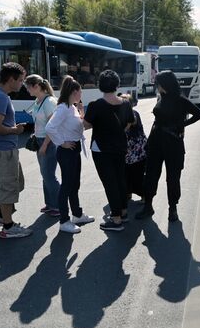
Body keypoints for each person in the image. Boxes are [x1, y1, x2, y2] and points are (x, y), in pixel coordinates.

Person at [135, 70, 200, 222]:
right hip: (156, 141)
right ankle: (148, 205)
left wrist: (181, 124)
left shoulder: (180, 100)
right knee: (151, 175)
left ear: (164, 84)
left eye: (158, 83)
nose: (156, 86)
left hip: (173, 142)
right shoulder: (161, 97)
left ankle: (173, 208)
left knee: (173, 177)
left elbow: (199, 114)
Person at [0, 62, 32, 238]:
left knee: (17, 184)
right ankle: (9, 228)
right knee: (8, 187)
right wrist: (15, 130)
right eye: (20, 80)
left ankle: (2, 218)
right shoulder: (1, 97)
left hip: (0, 148)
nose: (22, 84)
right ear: (11, 79)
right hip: (4, 150)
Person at [83, 70, 135, 232]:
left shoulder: (95, 105)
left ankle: (116, 218)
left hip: (101, 148)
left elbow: (86, 125)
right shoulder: (126, 103)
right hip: (120, 146)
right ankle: (124, 212)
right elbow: (130, 122)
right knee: (120, 178)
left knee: (109, 182)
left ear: (100, 86)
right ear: (117, 85)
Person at [46, 76, 94, 234]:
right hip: (67, 150)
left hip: (75, 148)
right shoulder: (63, 108)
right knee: (67, 185)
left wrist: (81, 111)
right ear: (74, 92)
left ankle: (77, 214)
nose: (81, 94)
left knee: (74, 184)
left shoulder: (72, 107)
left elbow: (78, 125)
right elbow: (50, 128)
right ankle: (64, 220)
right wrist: (62, 142)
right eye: (80, 91)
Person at [25, 74, 60, 217]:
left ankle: (59, 205)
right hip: (40, 140)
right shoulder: (37, 101)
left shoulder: (49, 102)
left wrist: (45, 145)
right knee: (45, 175)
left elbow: (53, 126)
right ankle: (50, 204)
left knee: (49, 175)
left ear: (36, 86)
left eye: (28, 87)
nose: (27, 90)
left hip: (48, 142)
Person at [124, 94, 148, 203]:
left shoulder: (133, 114)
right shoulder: (124, 114)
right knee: (127, 174)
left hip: (137, 151)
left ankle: (144, 196)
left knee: (138, 175)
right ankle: (128, 194)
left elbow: (127, 126)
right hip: (129, 151)